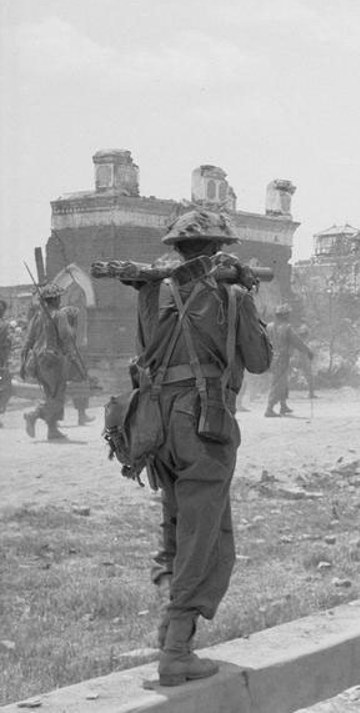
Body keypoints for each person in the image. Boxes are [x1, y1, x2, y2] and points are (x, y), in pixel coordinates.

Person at [118, 208, 271, 686]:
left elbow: (147, 351)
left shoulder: (150, 292)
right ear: (217, 249)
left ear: (177, 250)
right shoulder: (232, 294)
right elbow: (260, 361)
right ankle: (178, 651)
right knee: (206, 538)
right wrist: (247, 300)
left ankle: (169, 628)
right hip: (204, 423)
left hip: (156, 426)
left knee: (176, 524)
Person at [20, 284, 84, 441]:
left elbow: (28, 340)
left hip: (38, 360)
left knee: (50, 393)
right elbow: (67, 338)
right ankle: (33, 414)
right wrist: (75, 359)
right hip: (54, 360)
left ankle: (52, 429)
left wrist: (23, 363)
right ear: (54, 299)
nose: (60, 300)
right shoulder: (59, 315)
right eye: (58, 298)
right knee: (57, 394)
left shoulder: (38, 316)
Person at [264, 304, 313, 417]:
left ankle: (283, 405)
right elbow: (297, 342)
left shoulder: (269, 326)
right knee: (278, 383)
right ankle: (269, 408)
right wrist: (308, 351)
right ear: (285, 315)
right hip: (282, 358)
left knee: (283, 382)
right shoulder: (287, 327)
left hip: (272, 358)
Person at [0, 301, 13, 427]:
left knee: (5, 388)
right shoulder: (4, 325)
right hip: (1, 363)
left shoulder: (5, 325)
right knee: (5, 388)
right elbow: (7, 344)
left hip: (2, 362)